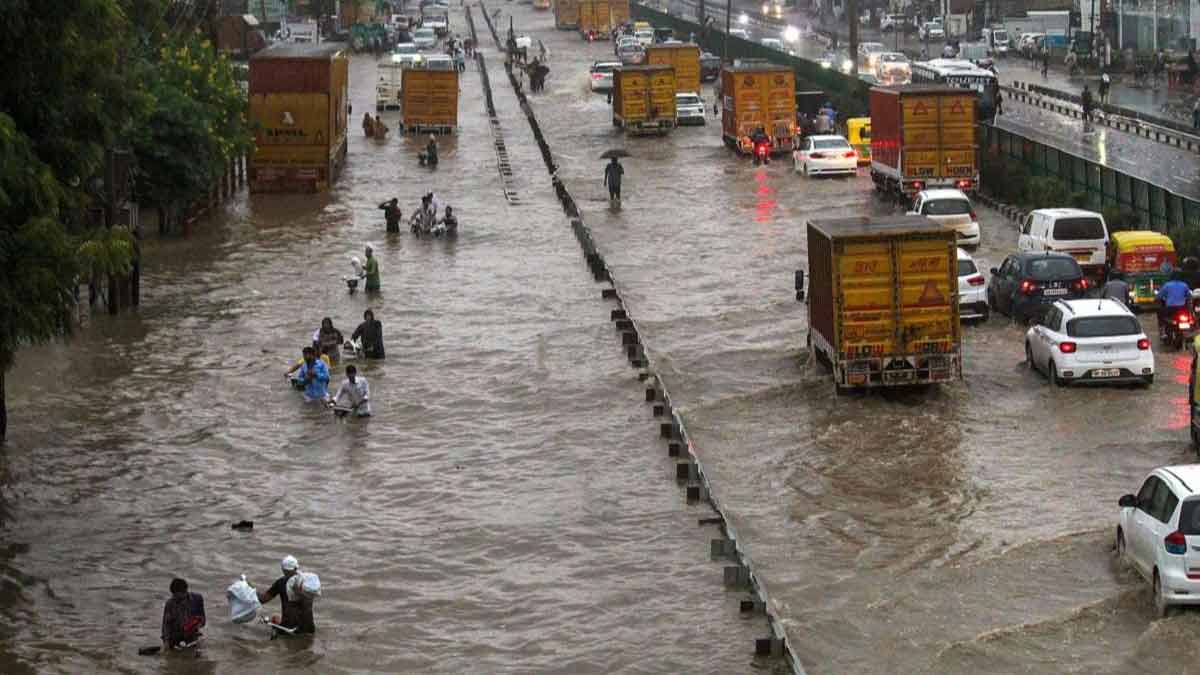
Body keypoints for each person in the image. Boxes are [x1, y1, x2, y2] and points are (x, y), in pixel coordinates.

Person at [256, 555, 314, 635]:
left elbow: (263, 599)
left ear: (283, 570)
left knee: (275, 618)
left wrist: (251, 591)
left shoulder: (281, 582)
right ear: (296, 567)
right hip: (309, 628)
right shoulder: (308, 582)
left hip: (289, 628)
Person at [161, 578, 206, 650]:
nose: (176, 599)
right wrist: (166, 641)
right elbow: (166, 625)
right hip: (175, 637)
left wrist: (196, 624)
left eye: (179, 597)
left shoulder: (197, 599)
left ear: (185, 591)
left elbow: (203, 620)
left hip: (192, 636)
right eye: (174, 596)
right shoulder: (170, 603)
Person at [1156, 272, 1192, 337]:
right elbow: (1189, 296)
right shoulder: (1184, 285)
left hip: (1170, 309)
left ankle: (1162, 331)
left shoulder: (1167, 285)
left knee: (1160, 312)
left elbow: (1159, 296)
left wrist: (1157, 299)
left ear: (1171, 278)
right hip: (1182, 308)